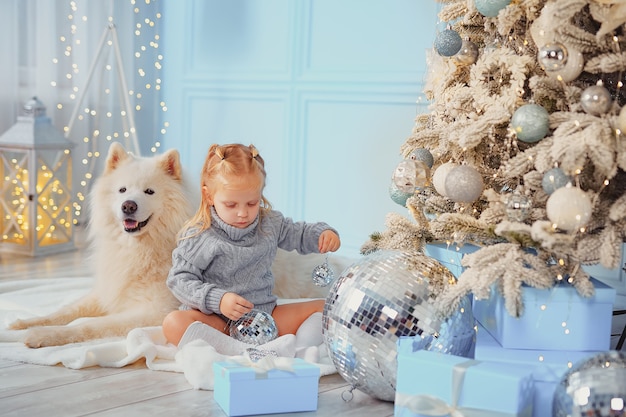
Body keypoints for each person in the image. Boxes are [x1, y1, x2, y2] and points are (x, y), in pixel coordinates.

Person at [162, 143, 340, 356]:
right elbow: (179, 280)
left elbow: (299, 233)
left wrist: (323, 234)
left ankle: (296, 351)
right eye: (231, 205)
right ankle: (239, 350)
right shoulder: (201, 235)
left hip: (265, 319)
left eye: (252, 203)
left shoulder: (270, 224)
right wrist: (218, 300)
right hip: (219, 323)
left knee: (326, 307)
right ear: (209, 196)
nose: (242, 213)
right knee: (173, 323)